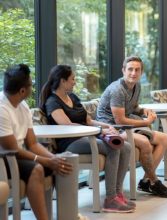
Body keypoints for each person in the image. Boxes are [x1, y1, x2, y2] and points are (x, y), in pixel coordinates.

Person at [39, 65, 136, 213]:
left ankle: (117, 194)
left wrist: (107, 126)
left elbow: (89, 121)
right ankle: (110, 199)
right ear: (62, 81)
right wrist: (98, 131)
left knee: (126, 147)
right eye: (72, 79)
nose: (74, 82)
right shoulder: (53, 101)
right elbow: (67, 125)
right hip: (70, 143)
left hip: (88, 136)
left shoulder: (72, 97)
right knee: (113, 147)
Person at [96, 56, 167, 198]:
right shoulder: (117, 90)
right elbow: (119, 119)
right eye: (130, 69)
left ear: (141, 72)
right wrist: (145, 122)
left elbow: (132, 107)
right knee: (145, 143)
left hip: (126, 126)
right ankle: (155, 182)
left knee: (165, 138)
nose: (133, 73)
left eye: (137, 70)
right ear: (123, 70)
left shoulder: (136, 86)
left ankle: (146, 181)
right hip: (112, 129)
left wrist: (142, 111)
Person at [0, 64, 72, 220]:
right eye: (31, 85)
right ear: (22, 91)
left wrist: (53, 158)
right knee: (37, 168)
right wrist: (45, 161)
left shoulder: (23, 106)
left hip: (17, 155)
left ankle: (67, 215)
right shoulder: (2, 108)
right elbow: (12, 149)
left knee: (60, 163)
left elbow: (32, 143)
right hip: (5, 158)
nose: (33, 87)